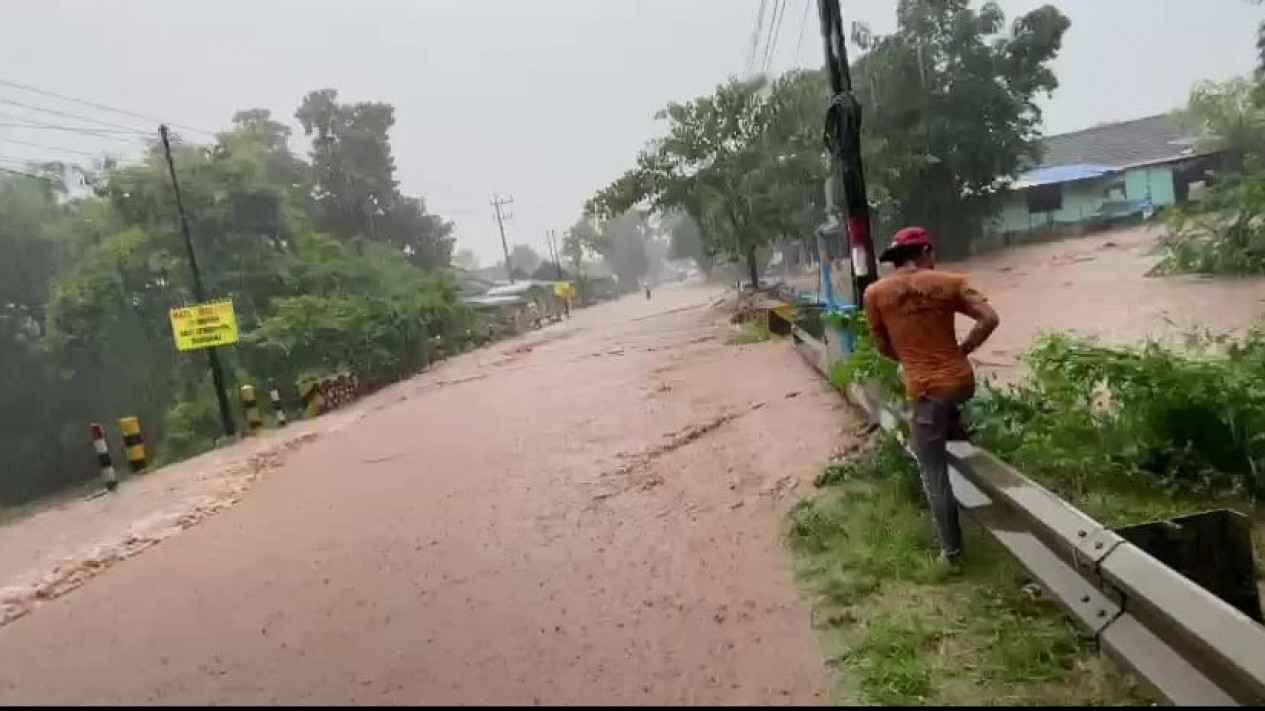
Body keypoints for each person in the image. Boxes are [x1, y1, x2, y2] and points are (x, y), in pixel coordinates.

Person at [862, 226, 1000, 571]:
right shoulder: (952, 282)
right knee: (950, 427)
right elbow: (989, 318)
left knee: (932, 473)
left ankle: (952, 557)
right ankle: (988, 505)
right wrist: (962, 351)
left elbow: (880, 344)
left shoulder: (876, 293)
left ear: (896, 259)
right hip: (960, 381)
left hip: (925, 389)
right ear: (926, 252)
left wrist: (911, 360)